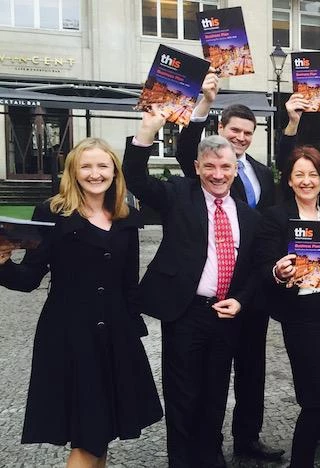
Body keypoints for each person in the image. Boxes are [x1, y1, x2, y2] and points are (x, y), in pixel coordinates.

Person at [0, 138, 162, 468]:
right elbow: (29, 278)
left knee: (100, 433)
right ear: (73, 172)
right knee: (88, 436)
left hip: (115, 336)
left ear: (114, 171)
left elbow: (129, 284)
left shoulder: (125, 216)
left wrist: (132, 335)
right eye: (86, 166)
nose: (95, 173)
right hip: (70, 336)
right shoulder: (53, 213)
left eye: (103, 166)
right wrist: (2, 265)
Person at [124, 107, 262, 468]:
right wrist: (146, 133)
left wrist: (241, 301)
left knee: (216, 394)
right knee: (183, 395)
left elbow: (253, 270)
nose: (218, 175)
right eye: (211, 167)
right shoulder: (178, 195)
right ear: (198, 168)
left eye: (226, 167)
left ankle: (211, 455)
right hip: (185, 312)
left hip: (225, 314)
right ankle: (182, 461)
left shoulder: (247, 215)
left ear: (235, 169)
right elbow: (135, 178)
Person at [176, 73, 283, 461]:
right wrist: (202, 101)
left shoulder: (260, 171)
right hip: (218, 288)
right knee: (212, 373)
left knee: (252, 368)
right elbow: (187, 147)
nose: (240, 137)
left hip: (252, 287)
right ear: (221, 129)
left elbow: (271, 221)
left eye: (247, 132)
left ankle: (248, 438)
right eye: (235, 130)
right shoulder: (209, 169)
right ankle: (210, 443)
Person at [257, 147, 320, 468]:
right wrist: (278, 270)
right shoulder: (276, 218)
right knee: (316, 398)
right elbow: (262, 266)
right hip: (302, 321)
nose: (306, 181)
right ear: (289, 180)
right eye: (299, 174)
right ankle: (301, 461)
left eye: (312, 175)